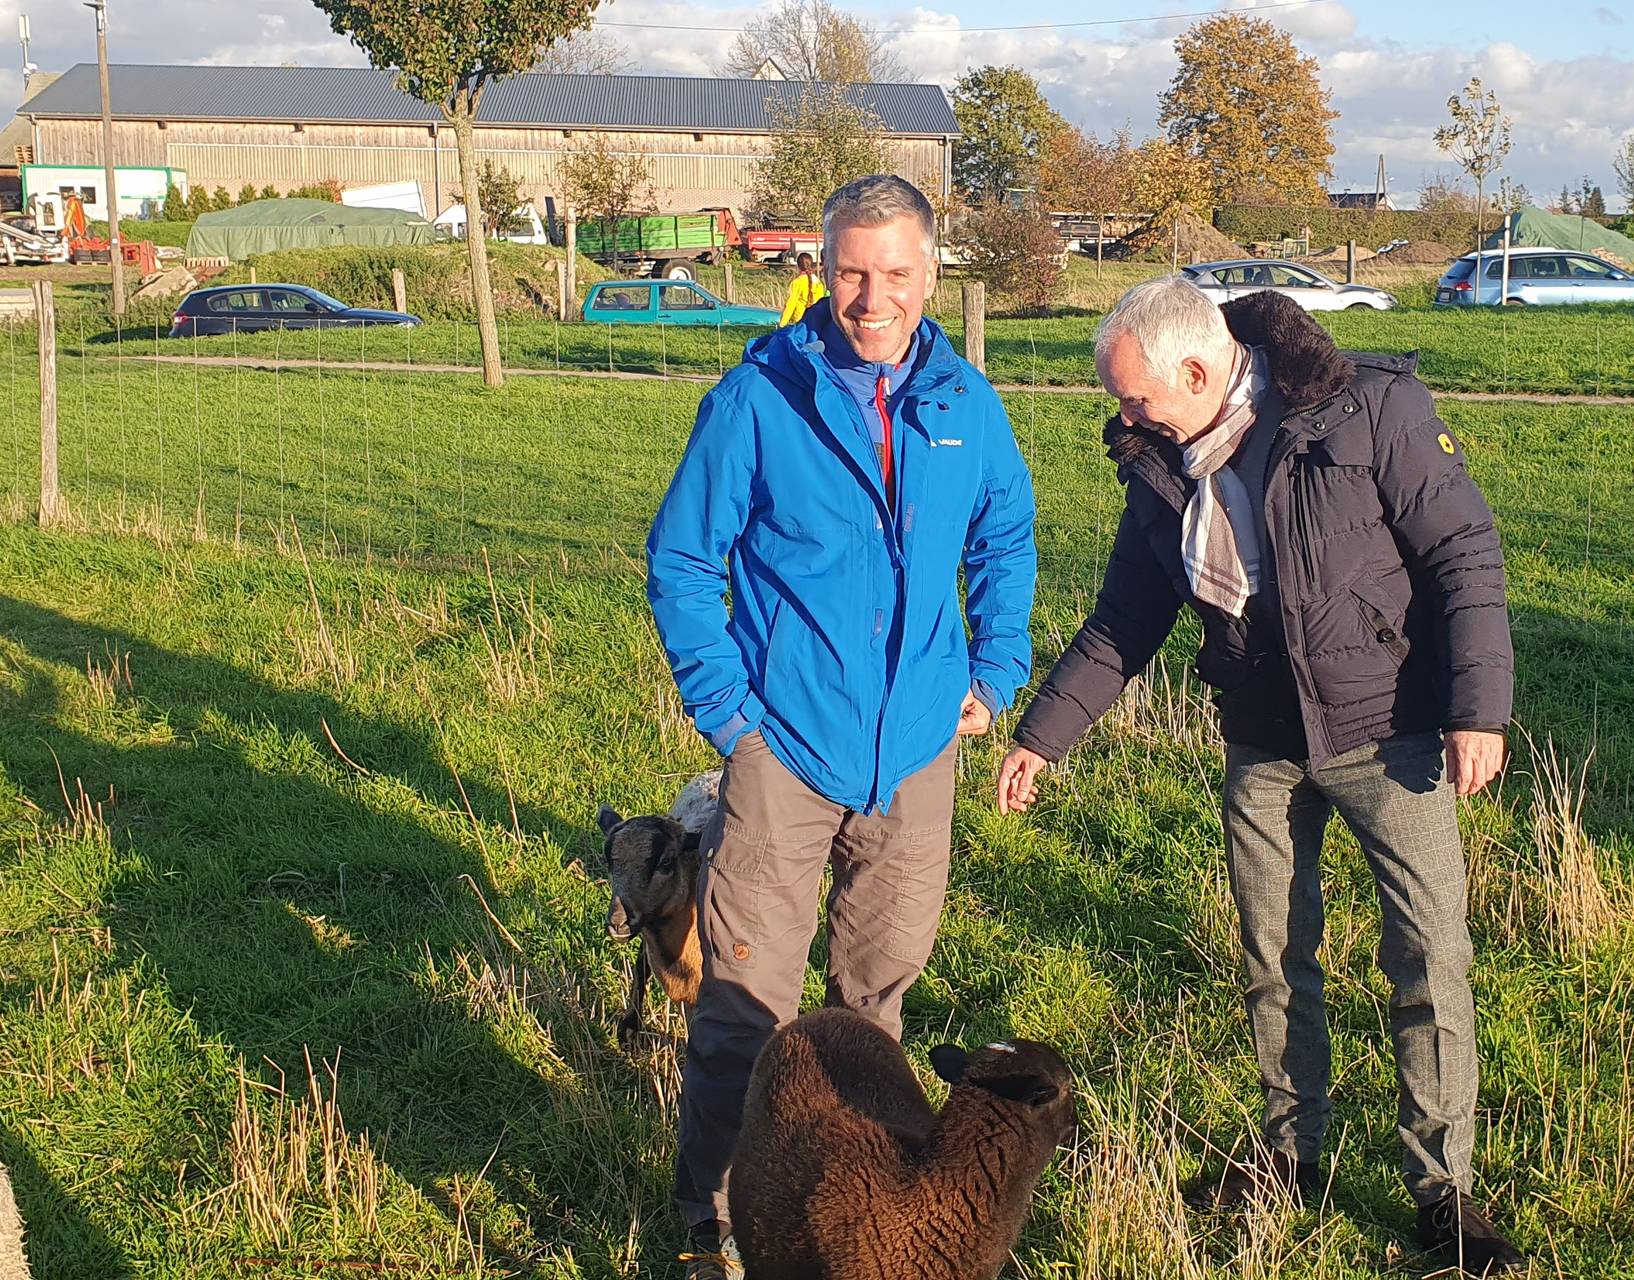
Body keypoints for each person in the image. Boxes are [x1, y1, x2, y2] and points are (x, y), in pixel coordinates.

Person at [994, 277, 1523, 1273]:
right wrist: (1042, 735)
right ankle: (1288, 1156)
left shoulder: (1365, 409)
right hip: (1261, 739)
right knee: (1273, 957)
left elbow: (1462, 549)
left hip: (1394, 730)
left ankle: (1441, 1192)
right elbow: (1124, 618)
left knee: (1427, 957)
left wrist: (1475, 707)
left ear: (1195, 371)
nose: (1123, 416)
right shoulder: (1157, 465)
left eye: (1135, 397)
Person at [646, 174, 1038, 1278]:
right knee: (744, 1010)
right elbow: (681, 559)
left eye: (896, 274)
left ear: (930, 273)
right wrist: (730, 715)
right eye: (852, 272)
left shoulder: (966, 404)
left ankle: (850, 1225)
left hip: (914, 755)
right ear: (823, 268)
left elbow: (1005, 541)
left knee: (871, 1016)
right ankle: (713, 1224)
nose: (873, 298)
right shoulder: (756, 399)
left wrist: (994, 665)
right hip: (784, 751)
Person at [777, 251, 829, 325]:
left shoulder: (797, 282)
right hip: (816, 322)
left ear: (798, 266)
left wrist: (782, 324)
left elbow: (790, 304)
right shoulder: (818, 283)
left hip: (800, 320)